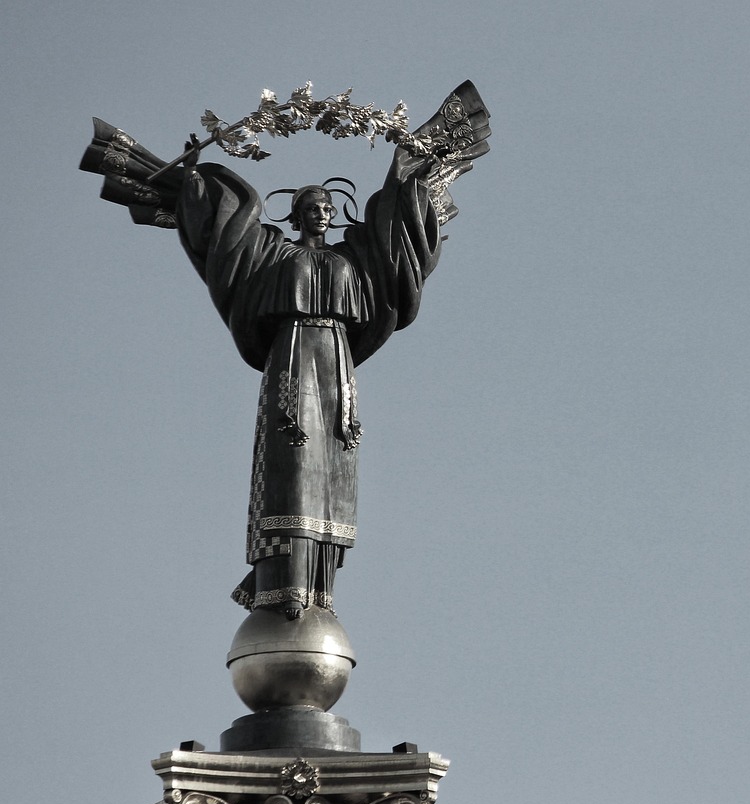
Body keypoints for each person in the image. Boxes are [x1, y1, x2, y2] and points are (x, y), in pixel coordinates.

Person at [81, 83, 490, 618]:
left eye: (326, 206)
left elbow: (399, 241)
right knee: (293, 462)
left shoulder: (356, 259)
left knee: (331, 466)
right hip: (293, 358)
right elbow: (228, 234)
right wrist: (198, 182)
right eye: (310, 207)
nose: (320, 213)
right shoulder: (272, 256)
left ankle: (319, 587)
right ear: (296, 216)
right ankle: (282, 580)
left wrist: (412, 172)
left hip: (337, 363)